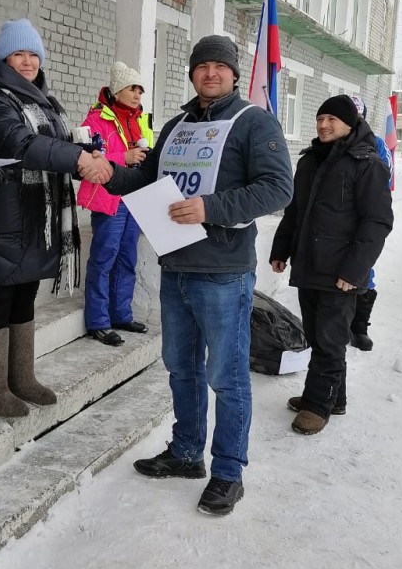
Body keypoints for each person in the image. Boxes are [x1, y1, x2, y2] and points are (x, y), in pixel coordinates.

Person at [103, 35, 293, 514]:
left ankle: (228, 471)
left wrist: (209, 207)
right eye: (202, 66)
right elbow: (145, 180)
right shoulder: (177, 126)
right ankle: (187, 453)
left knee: (226, 376)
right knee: (181, 368)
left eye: (219, 66)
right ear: (192, 74)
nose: (210, 73)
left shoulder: (253, 122)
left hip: (223, 271)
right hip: (177, 266)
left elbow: (278, 188)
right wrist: (105, 171)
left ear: (233, 73)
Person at [0, 18, 112, 418]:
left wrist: (87, 153)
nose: (28, 62)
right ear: (2, 58)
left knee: (26, 293)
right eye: (19, 54)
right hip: (0, 215)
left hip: (36, 213)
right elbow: (23, 144)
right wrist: (77, 158)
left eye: (34, 54)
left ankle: (22, 377)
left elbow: (57, 146)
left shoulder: (45, 102)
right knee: (0, 297)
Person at [269, 94, 393, 434]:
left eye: (331, 120)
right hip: (310, 265)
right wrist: (281, 249)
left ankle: (317, 405)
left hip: (342, 273)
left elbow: (377, 222)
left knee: (329, 340)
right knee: (318, 335)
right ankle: (334, 397)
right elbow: (295, 211)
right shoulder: (310, 161)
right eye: (320, 119)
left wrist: (354, 270)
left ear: (349, 124)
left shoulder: (367, 164)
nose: (323, 125)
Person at [77, 61, 153, 346]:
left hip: (134, 197)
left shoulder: (140, 119)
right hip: (109, 197)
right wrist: (125, 158)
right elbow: (89, 157)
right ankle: (98, 321)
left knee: (127, 258)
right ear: (117, 90)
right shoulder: (95, 119)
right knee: (103, 259)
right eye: (132, 88)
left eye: (140, 90)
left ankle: (121, 314)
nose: (137, 95)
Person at [348, 94, 393, 351]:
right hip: (334, 219)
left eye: (357, 116)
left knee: (364, 266)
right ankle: (339, 323)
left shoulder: (376, 144)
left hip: (364, 216)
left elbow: (384, 179)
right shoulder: (331, 141)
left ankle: (359, 326)